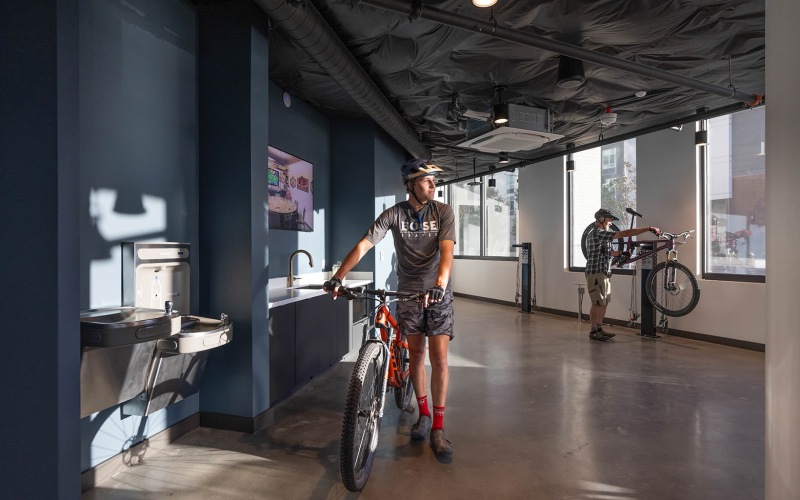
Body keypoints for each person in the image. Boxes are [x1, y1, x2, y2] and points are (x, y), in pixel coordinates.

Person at [323, 158, 456, 459]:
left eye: (434, 181)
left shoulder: (443, 211)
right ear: (410, 185)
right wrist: (338, 277)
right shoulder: (394, 214)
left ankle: (438, 427)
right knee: (417, 355)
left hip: (438, 293)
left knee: (439, 358)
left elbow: (447, 251)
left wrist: (440, 283)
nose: (433, 185)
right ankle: (423, 415)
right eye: (426, 181)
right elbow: (364, 244)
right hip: (408, 292)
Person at [585, 208, 661, 341]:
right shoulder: (598, 233)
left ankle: (599, 328)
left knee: (604, 302)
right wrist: (649, 228)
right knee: (597, 302)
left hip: (604, 272)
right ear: (601, 219)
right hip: (596, 272)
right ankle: (593, 331)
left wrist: (621, 253)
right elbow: (625, 233)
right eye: (609, 219)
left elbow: (607, 252)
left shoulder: (603, 235)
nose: (611, 222)